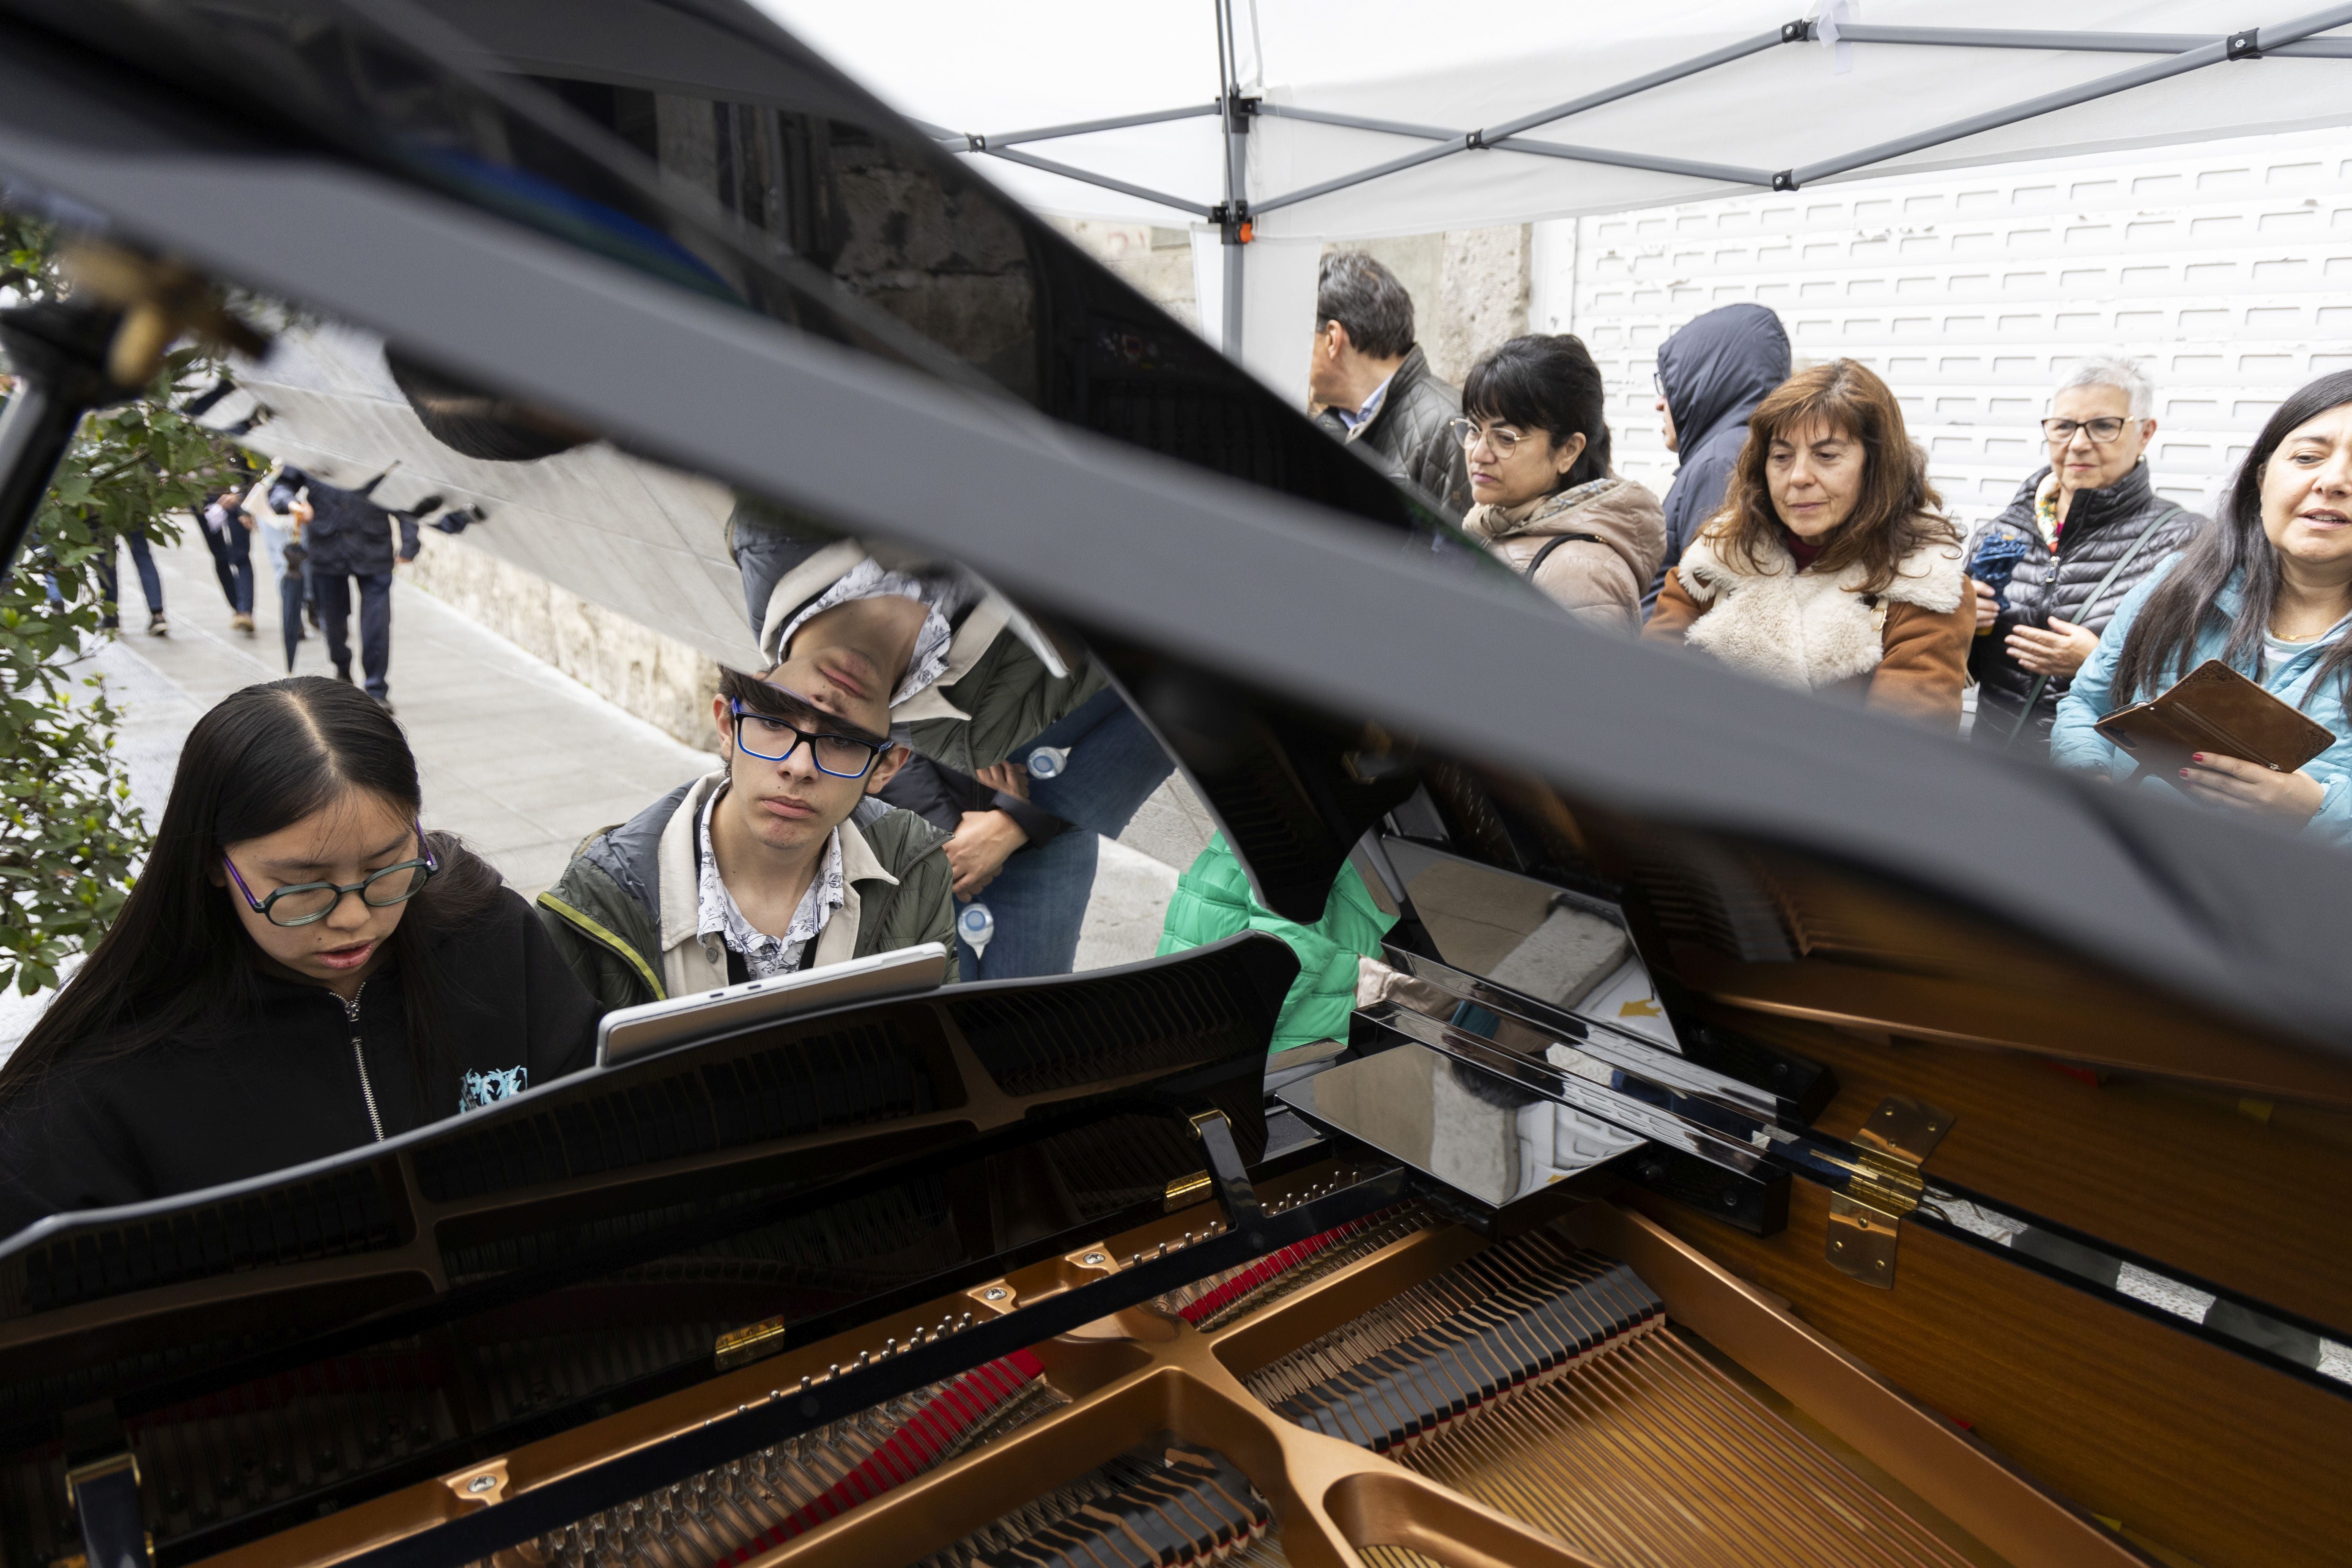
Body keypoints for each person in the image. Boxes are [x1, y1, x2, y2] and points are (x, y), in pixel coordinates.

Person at [0, 678, 599, 1234]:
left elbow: (600, 1107)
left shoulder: (488, 936)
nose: (352, 918)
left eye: (385, 867)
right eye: (303, 886)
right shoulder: (108, 1065)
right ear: (212, 863)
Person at [729, 503, 1175, 979]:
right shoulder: (978, 734)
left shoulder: (776, 538)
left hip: (1018, 830)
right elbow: (1170, 688)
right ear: (889, 763)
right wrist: (1004, 825)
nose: (819, 719)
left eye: (775, 725)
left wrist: (1017, 820)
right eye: (842, 746)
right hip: (1002, 838)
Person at [537, 663, 956, 1011]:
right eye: (773, 722)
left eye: (842, 738)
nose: (798, 765)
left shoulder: (914, 866)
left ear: (886, 767)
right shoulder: (599, 896)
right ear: (726, 727)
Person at [2053, 371, 2352, 842]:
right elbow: (2088, 705)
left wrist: (2318, 810)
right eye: (2308, 457)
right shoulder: (2176, 583)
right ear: (2262, 478)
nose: (2333, 481)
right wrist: (2092, 782)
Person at [1644, 359, 1972, 724]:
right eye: (1782, 457)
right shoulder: (1717, 556)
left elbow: (1898, 758)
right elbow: (1649, 697)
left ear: (1876, 466)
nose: (1798, 477)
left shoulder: (1922, 582)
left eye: (1826, 456)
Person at [1964, 356, 2204, 757]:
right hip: (1994, 765)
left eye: (2104, 426)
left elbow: (2201, 692)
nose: (2077, 443)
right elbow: (1955, 671)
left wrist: (2100, 666)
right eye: (2063, 427)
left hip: (2099, 777)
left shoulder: (2186, 542)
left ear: (2145, 433)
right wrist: (1958, 624)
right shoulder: (2001, 533)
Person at [1453, 334, 1665, 633]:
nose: (1478, 454)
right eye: (1473, 430)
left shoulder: (1582, 574)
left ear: (1568, 451)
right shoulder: (1499, 524)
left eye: (1505, 438)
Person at [1156, 833, 1396, 1058]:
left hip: (1282, 856)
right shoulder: (1203, 1047)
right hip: (1326, 858)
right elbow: (1291, 921)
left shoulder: (1188, 1044)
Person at [1648, 303, 1791, 613]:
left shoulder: (1722, 463)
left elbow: (1707, 607)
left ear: (1707, 386)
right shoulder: (1738, 449)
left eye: (1670, 386)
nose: (1660, 403)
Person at [877, 755, 1071, 981]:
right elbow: (884, 727)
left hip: (1050, 835)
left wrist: (1021, 818)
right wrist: (943, 830)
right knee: (938, 1003)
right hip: (913, 826)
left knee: (1029, 1003)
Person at [1308, 252, 1472, 516]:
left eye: (1302, 337)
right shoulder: (1327, 426)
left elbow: (1460, 554)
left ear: (1332, 339)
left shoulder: (1449, 425)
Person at [272, 466, 419, 708]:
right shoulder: (312, 444)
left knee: (377, 623)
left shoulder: (377, 446)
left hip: (374, 549)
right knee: (332, 621)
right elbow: (281, 486)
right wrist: (292, 504)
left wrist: (410, 540)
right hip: (326, 550)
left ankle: (376, 689)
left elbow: (400, 492)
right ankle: (342, 668)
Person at [242, 462, 311, 670]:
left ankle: (309, 605)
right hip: (273, 505)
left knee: (303, 564)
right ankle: (295, 617)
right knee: (283, 564)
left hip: (300, 505)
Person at [198, 478, 258, 634]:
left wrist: (242, 497)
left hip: (236, 497)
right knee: (221, 558)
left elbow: (253, 470)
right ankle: (238, 608)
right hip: (202, 498)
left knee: (241, 556)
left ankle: (245, 611)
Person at [95, 522, 167, 636]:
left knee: (105, 556)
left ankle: (111, 618)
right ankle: (158, 616)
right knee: (142, 554)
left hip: (100, 511)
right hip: (134, 509)